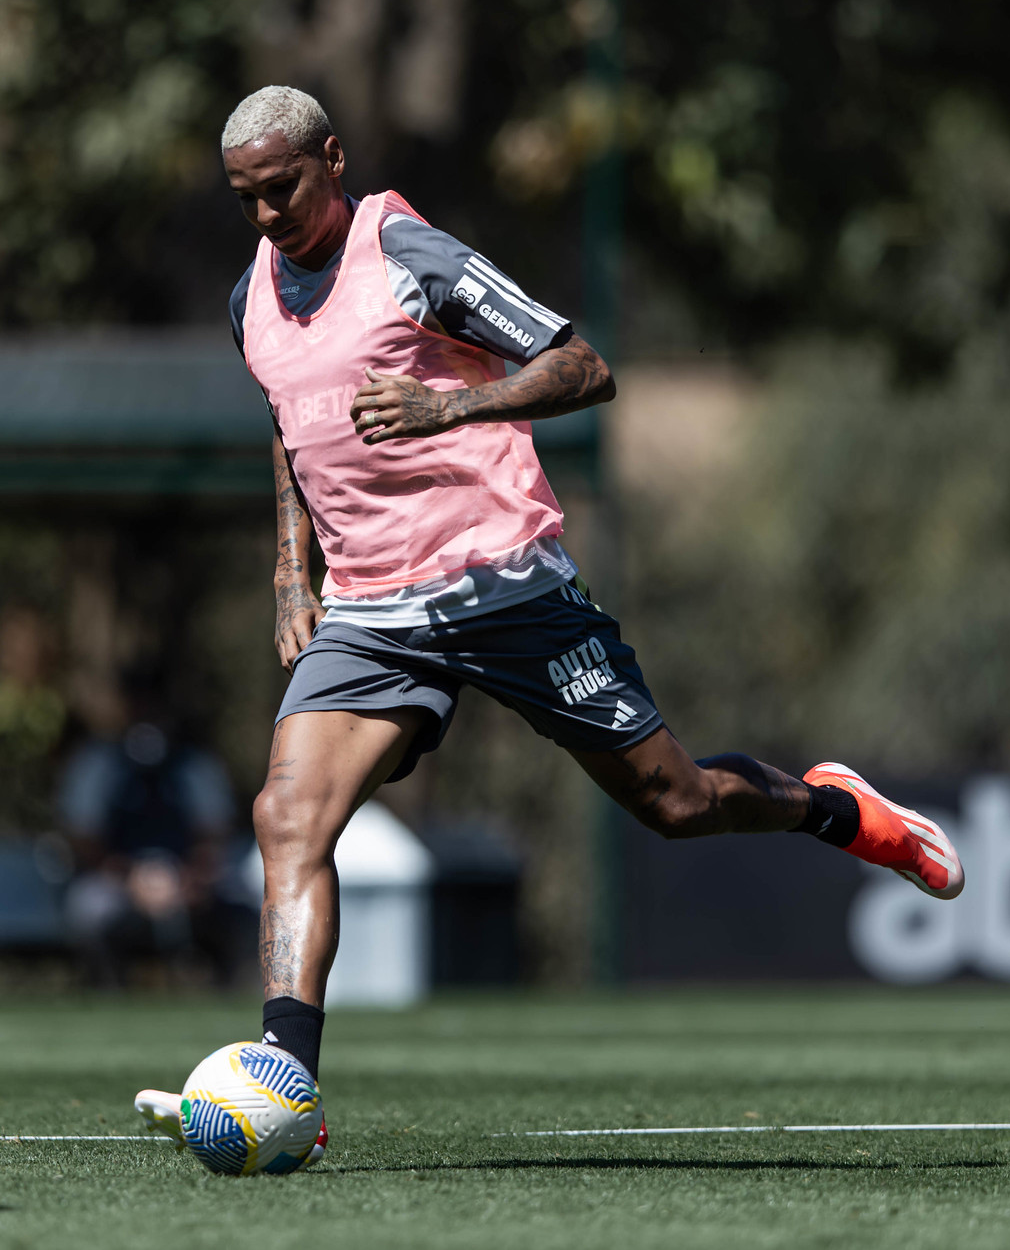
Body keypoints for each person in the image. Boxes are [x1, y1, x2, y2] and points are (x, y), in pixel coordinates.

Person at [135, 86, 961, 1153]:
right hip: (373, 612)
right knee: (286, 820)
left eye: (280, 190)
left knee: (675, 802)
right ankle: (286, 1078)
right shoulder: (249, 294)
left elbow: (583, 365)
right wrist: (291, 577)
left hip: (504, 582)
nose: (263, 216)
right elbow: (291, 433)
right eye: (243, 198)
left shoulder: (412, 256)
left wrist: (450, 404)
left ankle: (833, 811)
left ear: (331, 160)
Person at [57, 677, 249, 990]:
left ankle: (228, 996)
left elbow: (214, 834)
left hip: (187, 880)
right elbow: (84, 838)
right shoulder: (97, 763)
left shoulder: (195, 764)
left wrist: (191, 879)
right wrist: (129, 879)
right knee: (87, 908)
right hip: (118, 880)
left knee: (242, 902)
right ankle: (106, 993)